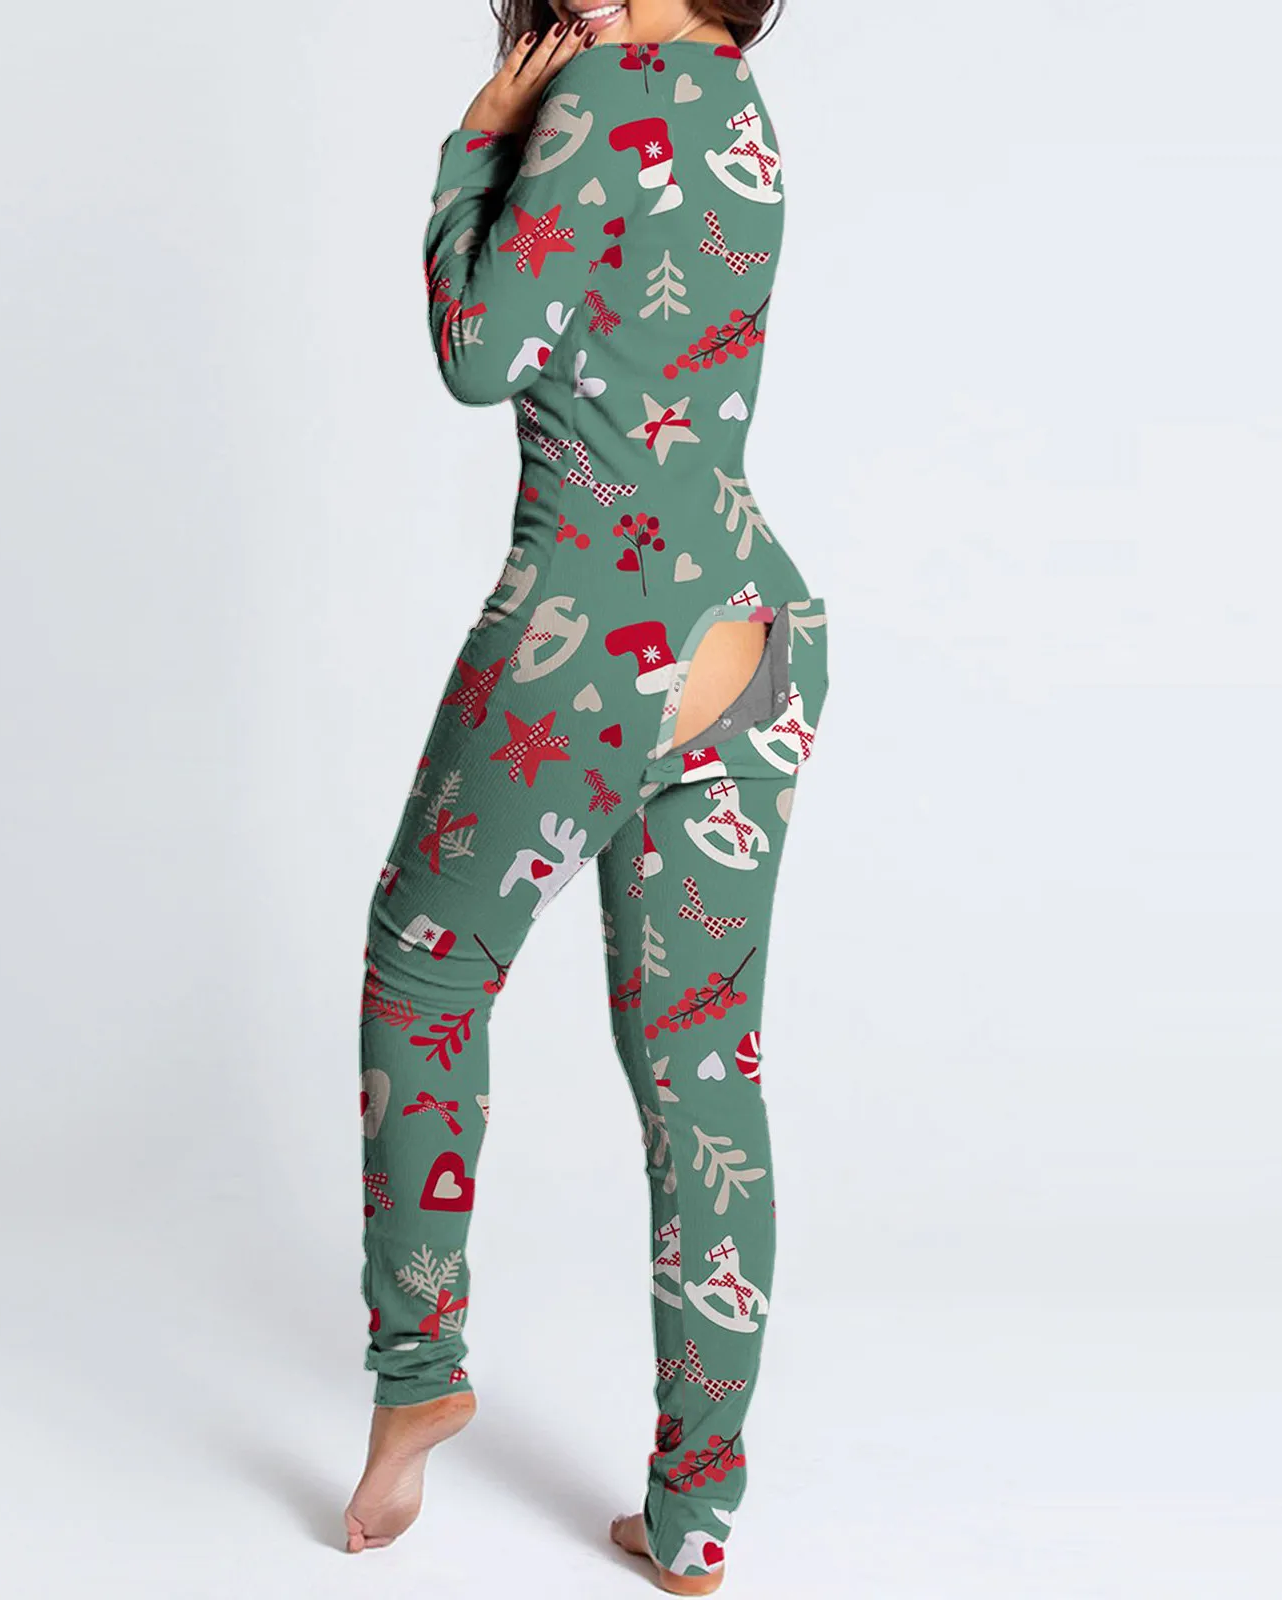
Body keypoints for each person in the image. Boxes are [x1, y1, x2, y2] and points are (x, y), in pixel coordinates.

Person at [345, 2, 828, 1590]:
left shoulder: (603, 88)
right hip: (751, 622)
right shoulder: (737, 98)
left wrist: (475, 142)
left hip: (599, 621)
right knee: (704, 1074)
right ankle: (695, 1518)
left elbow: (478, 356)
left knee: (424, 975)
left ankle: (419, 1378)